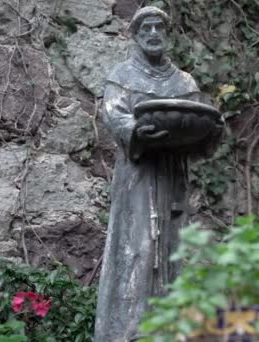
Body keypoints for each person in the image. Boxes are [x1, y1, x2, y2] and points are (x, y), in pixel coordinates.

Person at [94, 7, 218, 341]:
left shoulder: (184, 82)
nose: (152, 33)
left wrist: (210, 133)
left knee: (171, 247)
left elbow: (199, 124)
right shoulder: (122, 75)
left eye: (159, 28)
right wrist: (136, 131)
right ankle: (126, 332)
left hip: (172, 178)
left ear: (167, 34)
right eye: (145, 28)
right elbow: (113, 114)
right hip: (137, 176)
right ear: (135, 35)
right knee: (137, 247)